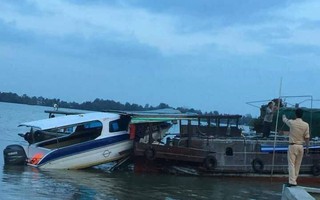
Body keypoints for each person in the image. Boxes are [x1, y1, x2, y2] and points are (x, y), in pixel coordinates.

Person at [282, 108, 310, 186]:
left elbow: (285, 120)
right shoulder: (306, 125)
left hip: (292, 145)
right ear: (302, 115)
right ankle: (294, 180)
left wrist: (283, 116)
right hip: (301, 147)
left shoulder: (292, 122)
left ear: (295, 114)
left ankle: (292, 182)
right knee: (298, 165)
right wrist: (307, 148)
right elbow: (307, 137)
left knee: (291, 164)